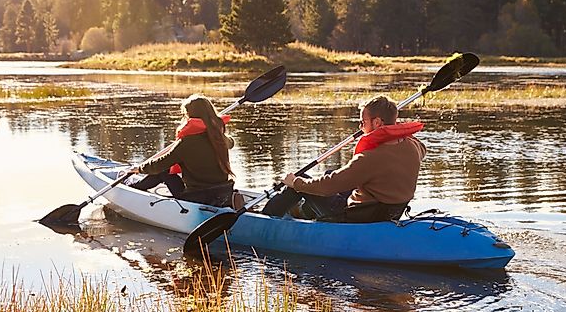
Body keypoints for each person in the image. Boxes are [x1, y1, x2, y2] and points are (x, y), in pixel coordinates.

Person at [262, 95, 426, 223]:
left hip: (357, 216)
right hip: (387, 211)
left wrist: (295, 182)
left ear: (377, 122)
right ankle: (305, 213)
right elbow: (416, 147)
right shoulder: (414, 146)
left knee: (300, 180)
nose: (360, 127)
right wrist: (395, 129)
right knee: (330, 172)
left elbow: (328, 186)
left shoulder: (369, 157)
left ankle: (263, 218)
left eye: (363, 122)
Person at [129, 94, 236, 207]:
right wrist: (216, 129)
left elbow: (159, 165)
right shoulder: (219, 138)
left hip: (196, 197)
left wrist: (139, 169)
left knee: (164, 171)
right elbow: (231, 143)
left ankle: (133, 188)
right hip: (223, 192)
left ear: (190, 115)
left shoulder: (186, 143)